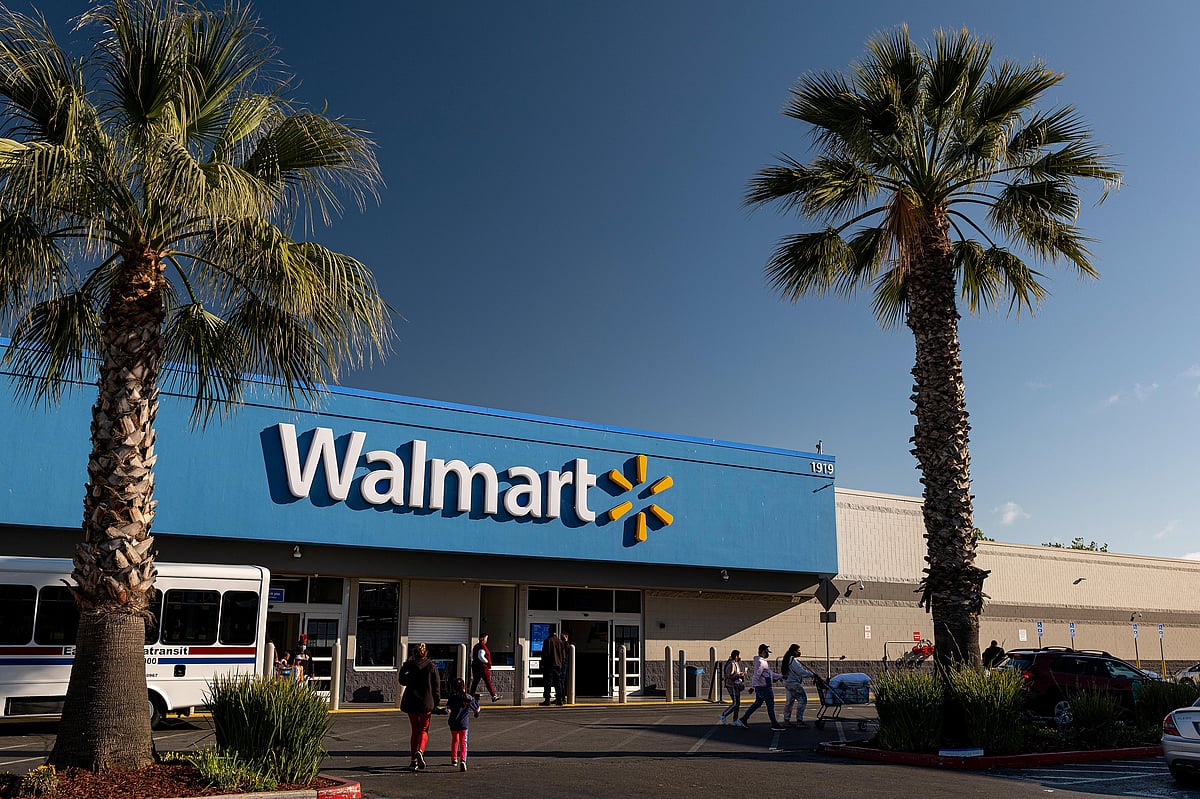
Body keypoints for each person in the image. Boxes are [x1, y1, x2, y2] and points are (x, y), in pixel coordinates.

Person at [398, 642, 440, 771]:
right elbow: (436, 685)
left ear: (413, 654)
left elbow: (402, 680)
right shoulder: (431, 666)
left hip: (411, 701)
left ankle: (413, 760)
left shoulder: (410, 666)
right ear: (425, 653)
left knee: (414, 730)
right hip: (426, 702)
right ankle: (420, 750)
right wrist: (436, 702)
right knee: (424, 729)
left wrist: (406, 664)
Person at [737, 643, 785, 730]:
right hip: (764, 688)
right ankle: (774, 724)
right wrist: (752, 686)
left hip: (762, 687)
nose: (768, 654)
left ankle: (744, 719)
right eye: (767, 652)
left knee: (757, 704)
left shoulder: (761, 661)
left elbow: (770, 674)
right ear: (763, 652)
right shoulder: (760, 662)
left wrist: (781, 676)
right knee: (770, 705)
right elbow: (757, 675)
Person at [446, 676, 480, 772]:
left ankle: (454, 758)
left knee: (455, 740)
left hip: (453, 722)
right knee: (463, 742)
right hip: (463, 723)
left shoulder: (452, 698)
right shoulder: (468, 697)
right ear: (464, 687)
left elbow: (448, 708)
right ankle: (463, 759)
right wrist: (477, 713)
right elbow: (476, 708)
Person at [780, 644, 814, 727]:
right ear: (794, 651)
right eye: (798, 651)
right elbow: (800, 671)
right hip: (794, 684)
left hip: (788, 683)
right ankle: (799, 720)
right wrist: (811, 674)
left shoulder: (787, 659)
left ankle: (786, 720)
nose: (799, 652)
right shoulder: (793, 660)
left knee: (789, 702)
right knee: (802, 699)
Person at [470, 634, 500, 702]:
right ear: (483, 639)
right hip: (483, 667)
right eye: (486, 638)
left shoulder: (475, 646)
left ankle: (471, 695)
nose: (486, 640)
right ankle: (493, 695)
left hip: (475, 667)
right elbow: (480, 656)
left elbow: (471, 655)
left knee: (475, 681)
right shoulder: (482, 647)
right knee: (488, 681)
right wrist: (487, 662)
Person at [719, 649, 745, 725]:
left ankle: (735, 720)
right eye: (738, 656)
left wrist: (741, 674)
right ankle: (724, 715)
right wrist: (739, 675)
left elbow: (736, 672)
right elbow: (729, 675)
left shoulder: (735, 663)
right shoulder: (731, 664)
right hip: (732, 685)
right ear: (736, 656)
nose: (739, 657)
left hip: (736, 684)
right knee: (735, 703)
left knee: (738, 703)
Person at [539, 630, 565, 706]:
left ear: (549, 632)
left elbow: (545, 654)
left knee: (548, 683)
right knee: (558, 683)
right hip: (558, 665)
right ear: (556, 633)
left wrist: (542, 664)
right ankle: (559, 700)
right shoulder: (560, 642)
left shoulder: (547, 641)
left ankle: (547, 700)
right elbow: (563, 655)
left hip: (549, 665)